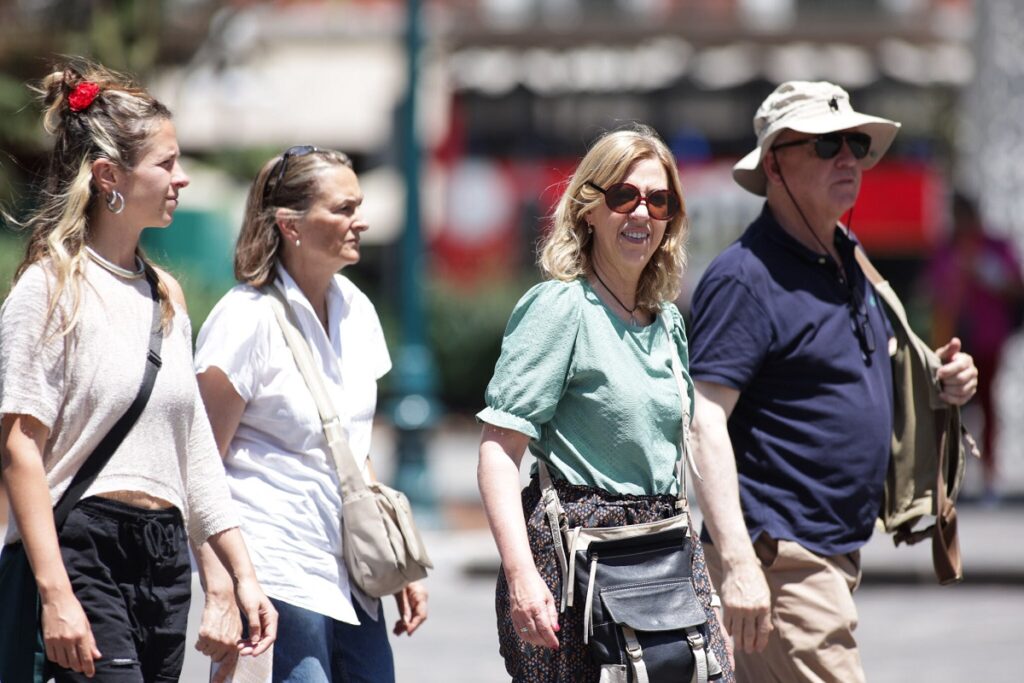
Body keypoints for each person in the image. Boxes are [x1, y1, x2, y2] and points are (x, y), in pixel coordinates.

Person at [688, 81, 978, 682]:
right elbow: (703, 419)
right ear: (774, 163)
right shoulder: (746, 278)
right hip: (782, 560)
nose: (848, 156)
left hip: (828, 552)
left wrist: (941, 380)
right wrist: (739, 564)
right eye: (824, 145)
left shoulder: (846, 254)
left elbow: (860, 365)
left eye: (854, 142)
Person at [0, 59, 277, 681]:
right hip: (82, 546)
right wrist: (55, 594)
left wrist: (241, 575)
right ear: (108, 176)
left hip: (163, 554)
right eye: (166, 163)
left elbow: (195, 451)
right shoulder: (49, 290)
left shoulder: (166, 297)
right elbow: (20, 449)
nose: (181, 179)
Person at [476, 123, 733, 682]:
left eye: (658, 200)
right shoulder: (560, 308)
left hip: (664, 556)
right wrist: (522, 575)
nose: (642, 213)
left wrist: (709, 585)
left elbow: (676, 463)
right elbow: (499, 449)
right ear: (589, 208)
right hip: (577, 567)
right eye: (624, 196)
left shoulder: (667, 321)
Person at [193, 146, 428, 683]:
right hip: (275, 569)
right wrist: (224, 588)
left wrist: (396, 560)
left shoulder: (356, 310)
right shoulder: (243, 319)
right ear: (290, 225)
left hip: (348, 570)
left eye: (358, 206)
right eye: (343, 209)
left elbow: (353, 448)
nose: (360, 221)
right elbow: (200, 466)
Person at [926, 193, 1023, 502]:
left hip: (988, 339)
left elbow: (1014, 286)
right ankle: (949, 475)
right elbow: (934, 290)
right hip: (955, 339)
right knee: (949, 408)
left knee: (988, 406)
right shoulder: (947, 250)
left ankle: (991, 475)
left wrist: (985, 271)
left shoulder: (995, 247)